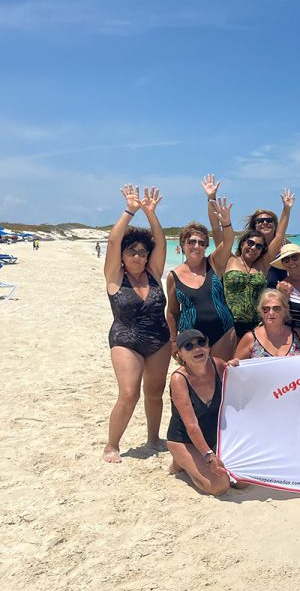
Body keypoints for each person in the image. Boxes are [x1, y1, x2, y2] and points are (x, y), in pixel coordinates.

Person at [102, 184, 171, 463]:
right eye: (132, 252)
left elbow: (161, 243)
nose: (138, 256)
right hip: (125, 340)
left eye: (143, 252)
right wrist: (131, 210)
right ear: (122, 255)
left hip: (159, 340)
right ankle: (111, 445)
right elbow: (112, 242)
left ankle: (153, 438)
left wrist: (151, 213)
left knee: (154, 393)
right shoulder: (114, 276)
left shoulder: (154, 272)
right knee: (129, 393)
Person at [166, 329, 242, 495]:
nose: (197, 348)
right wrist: (209, 456)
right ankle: (182, 461)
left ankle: (187, 462)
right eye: (189, 346)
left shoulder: (219, 365)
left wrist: (237, 367)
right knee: (220, 485)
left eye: (201, 342)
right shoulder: (179, 379)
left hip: (214, 437)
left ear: (208, 347)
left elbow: (243, 388)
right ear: (180, 355)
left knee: (243, 481)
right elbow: (191, 426)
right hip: (184, 439)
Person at [166, 202, 236, 361]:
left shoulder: (214, 263)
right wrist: (173, 341)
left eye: (201, 243)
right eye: (191, 241)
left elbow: (228, 241)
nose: (196, 246)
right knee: (197, 376)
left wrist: (226, 223)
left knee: (222, 373)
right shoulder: (173, 276)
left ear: (206, 247)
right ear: (182, 244)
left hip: (223, 334)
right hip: (191, 339)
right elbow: (172, 311)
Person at [239, 189, 295, 288]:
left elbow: (299, 270)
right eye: (260, 221)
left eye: (269, 220)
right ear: (254, 226)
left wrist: (286, 209)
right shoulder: (249, 247)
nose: (265, 223)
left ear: (275, 225)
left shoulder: (286, 246)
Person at [234, 289, 300, 358]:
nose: (271, 312)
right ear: (261, 312)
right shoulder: (250, 338)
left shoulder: (297, 335)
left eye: (276, 308)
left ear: (285, 310)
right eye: (266, 309)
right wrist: (233, 363)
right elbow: (236, 367)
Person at [223, 230, 269, 340]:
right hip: (230, 325)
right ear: (242, 243)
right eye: (250, 243)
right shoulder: (229, 259)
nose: (253, 248)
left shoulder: (262, 265)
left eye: (259, 246)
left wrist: (285, 215)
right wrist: (225, 223)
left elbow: (279, 236)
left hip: (257, 325)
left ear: (261, 251)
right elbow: (220, 235)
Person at [272, 243, 300, 348]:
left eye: (294, 258)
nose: (291, 262)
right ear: (283, 265)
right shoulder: (282, 285)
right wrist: (283, 294)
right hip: (295, 339)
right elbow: (282, 313)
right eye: (286, 260)